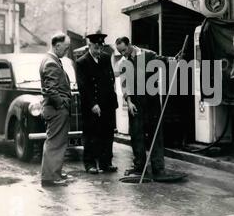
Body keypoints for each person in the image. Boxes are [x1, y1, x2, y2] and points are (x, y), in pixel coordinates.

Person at [115, 36, 178, 179]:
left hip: (151, 102)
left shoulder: (147, 55)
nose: (123, 54)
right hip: (135, 103)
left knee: (155, 134)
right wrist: (129, 102)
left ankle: (158, 168)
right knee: (136, 135)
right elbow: (125, 84)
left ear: (130, 44)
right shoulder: (123, 63)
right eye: (120, 52)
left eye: (124, 50)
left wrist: (174, 59)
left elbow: (163, 60)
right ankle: (139, 166)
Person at [76, 33, 118, 174]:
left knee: (107, 134)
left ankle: (106, 163)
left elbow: (110, 79)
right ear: (89, 46)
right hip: (91, 105)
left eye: (101, 47)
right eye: (96, 47)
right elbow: (83, 86)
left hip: (107, 104)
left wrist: (113, 101)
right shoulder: (82, 62)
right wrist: (93, 104)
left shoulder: (106, 58)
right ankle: (90, 164)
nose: (99, 51)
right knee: (91, 135)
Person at [39, 32, 72, 187]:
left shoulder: (50, 60)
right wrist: (62, 104)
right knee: (55, 143)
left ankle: (53, 172)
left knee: (55, 142)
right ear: (57, 45)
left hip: (54, 109)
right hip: (56, 109)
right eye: (65, 48)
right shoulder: (51, 62)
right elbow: (51, 89)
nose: (66, 51)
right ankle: (51, 177)